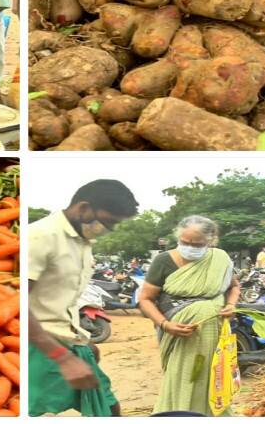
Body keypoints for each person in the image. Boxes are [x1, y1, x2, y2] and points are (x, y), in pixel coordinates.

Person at [29, 179, 139, 417]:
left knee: (107, 406)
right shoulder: (40, 236)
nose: (109, 229)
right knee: (33, 410)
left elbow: (62, 299)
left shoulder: (83, 242)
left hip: (70, 342)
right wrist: (60, 356)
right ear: (83, 208)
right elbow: (14, 302)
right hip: (38, 346)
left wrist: (81, 339)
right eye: (109, 221)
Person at [139, 215, 240, 416]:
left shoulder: (219, 259)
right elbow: (145, 299)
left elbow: (234, 287)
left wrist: (230, 305)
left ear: (210, 241)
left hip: (215, 336)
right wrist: (165, 325)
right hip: (180, 337)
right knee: (183, 377)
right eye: (185, 242)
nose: (190, 247)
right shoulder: (163, 261)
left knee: (213, 378)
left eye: (197, 244)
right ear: (178, 238)